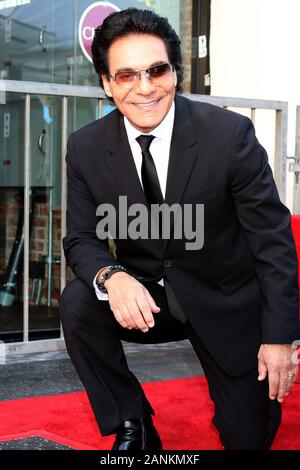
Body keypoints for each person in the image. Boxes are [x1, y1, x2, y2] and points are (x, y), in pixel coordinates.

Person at [59, 8, 300, 450]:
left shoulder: (229, 136)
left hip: (226, 299)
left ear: (176, 73)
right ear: (107, 85)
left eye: (156, 70)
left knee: (247, 436)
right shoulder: (86, 147)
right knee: (78, 299)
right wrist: (112, 277)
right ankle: (133, 421)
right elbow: (81, 238)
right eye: (127, 75)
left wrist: (280, 337)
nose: (145, 87)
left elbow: (273, 243)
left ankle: (250, 406)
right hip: (149, 297)